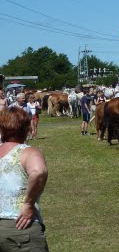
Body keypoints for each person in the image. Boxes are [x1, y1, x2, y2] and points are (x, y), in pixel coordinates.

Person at [0, 107, 49, 251]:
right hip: (18, 226)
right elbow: (38, 171)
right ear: (26, 128)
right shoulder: (28, 152)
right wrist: (28, 203)